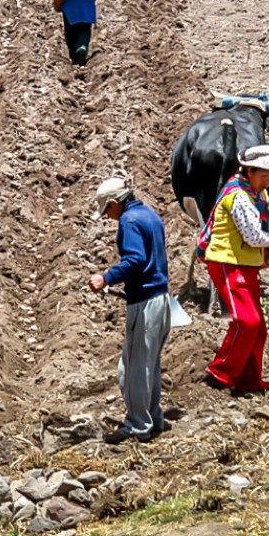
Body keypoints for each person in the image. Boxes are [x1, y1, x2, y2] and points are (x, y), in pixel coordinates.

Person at [88, 178, 171, 445]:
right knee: (149, 366)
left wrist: (106, 277)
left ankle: (138, 426)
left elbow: (135, 260)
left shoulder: (129, 221)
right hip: (162, 298)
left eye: (107, 212)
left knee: (133, 368)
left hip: (145, 303)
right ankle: (153, 418)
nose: (109, 218)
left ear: (114, 204)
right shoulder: (149, 214)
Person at [198, 144, 269, 394]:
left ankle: (249, 379)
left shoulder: (258, 194)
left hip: (246, 264)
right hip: (227, 262)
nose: (267, 182)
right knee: (247, 321)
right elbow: (253, 237)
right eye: (263, 176)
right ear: (248, 170)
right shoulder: (239, 196)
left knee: (258, 328)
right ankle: (220, 372)